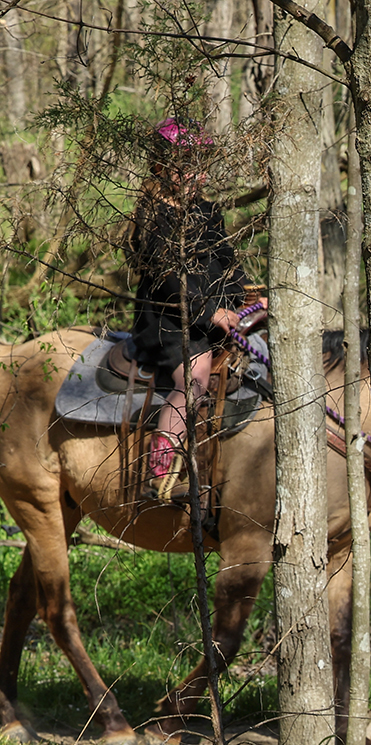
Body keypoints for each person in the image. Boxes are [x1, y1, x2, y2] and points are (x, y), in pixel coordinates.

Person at [129, 118, 260, 500]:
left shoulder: (206, 211)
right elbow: (172, 279)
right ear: (162, 167)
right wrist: (211, 312)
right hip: (167, 322)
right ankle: (161, 468)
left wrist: (247, 295)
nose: (198, 175)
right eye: (188, 164)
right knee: (197, 375)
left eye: (201, 164)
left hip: (209, 316)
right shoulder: (154, 216)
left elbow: (226, 261)